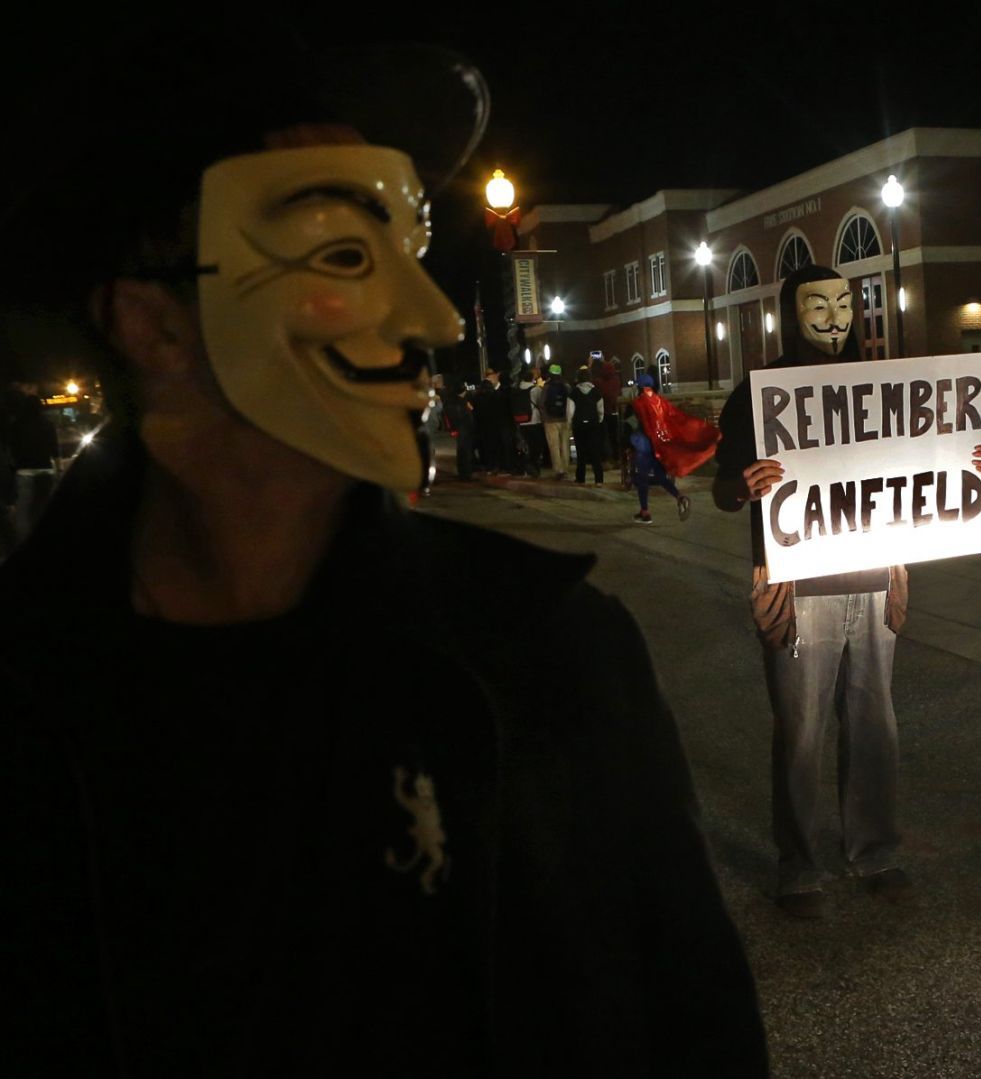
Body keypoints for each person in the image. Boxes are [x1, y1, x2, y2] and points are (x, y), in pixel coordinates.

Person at [0, 41, 767, 1076]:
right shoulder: (32, 705)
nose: (433, 319)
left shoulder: (547, 664)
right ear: (151, 322)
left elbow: (689, 1021)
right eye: (346, 258)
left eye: (408, 249)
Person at [712, 263, 981, 919]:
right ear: (790, 312)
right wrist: (743, 485)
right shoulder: (759, 392)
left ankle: (874, 851)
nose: (834, 317)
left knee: (875, 724)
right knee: (801, 730)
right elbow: (723, 490)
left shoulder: (888, 386)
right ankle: (799, 867)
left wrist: (977, 466)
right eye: (818, 306)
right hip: (797, 584)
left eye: (844, 304)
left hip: (877, 576)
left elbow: (937, 463)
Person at [626, 376, 692, 525]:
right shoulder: (660, 401)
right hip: (658, 446)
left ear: (641, 388)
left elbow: (630, 425)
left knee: (641, 479)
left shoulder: (637, 403)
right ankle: (680, 497)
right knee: (661, 477)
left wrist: (629, 446)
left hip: (643, 447)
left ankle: (645, 512)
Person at [567, 364, 605, 486]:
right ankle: (599, 479)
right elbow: (601, 410)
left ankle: (580, 478)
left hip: (579, 425)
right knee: (595, 452)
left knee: (581, 453)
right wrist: (598, 420)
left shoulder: (573, 393)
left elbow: (570, 411)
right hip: (593, 425)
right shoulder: (596, 392)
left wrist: (570, 423)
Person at [539, 362, 570, 479]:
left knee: (554, 446)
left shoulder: (546, 387)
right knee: (565, 444)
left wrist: (544, 417)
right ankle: (565, 468)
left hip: (550, 420)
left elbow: (541, 403)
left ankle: (558, 470)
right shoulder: (566, 386)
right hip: (564, 419)